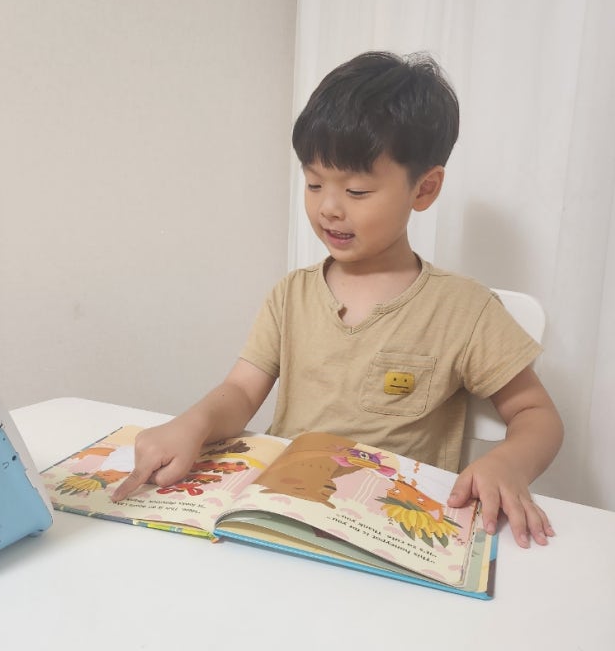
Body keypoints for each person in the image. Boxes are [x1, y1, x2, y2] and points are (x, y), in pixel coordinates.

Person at [113, 51, 564, 548]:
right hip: (279, 514)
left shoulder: (465, 310)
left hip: (391, 532)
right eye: (313, 183)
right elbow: (241, 391)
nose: (328, 207)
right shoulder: (291, 294)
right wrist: (192, 423)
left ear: (425, 189)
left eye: (356, 190)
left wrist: (508, 462)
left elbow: (536, 415)